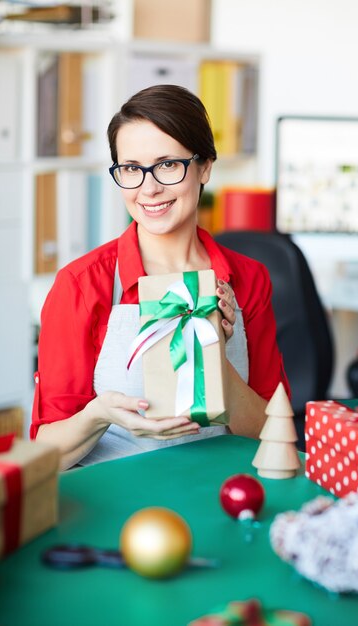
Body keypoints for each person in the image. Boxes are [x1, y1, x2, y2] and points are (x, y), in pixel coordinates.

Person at [31, 84, 289, 470]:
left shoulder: (249, 280)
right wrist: (99, 414)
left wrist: (215, 361)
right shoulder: (83, 285)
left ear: (204, 167)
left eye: (168, 164)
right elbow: (44, 451)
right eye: (132, 169)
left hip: (219, 490)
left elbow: (274, 433)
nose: (148, 188)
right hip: (119, 500)